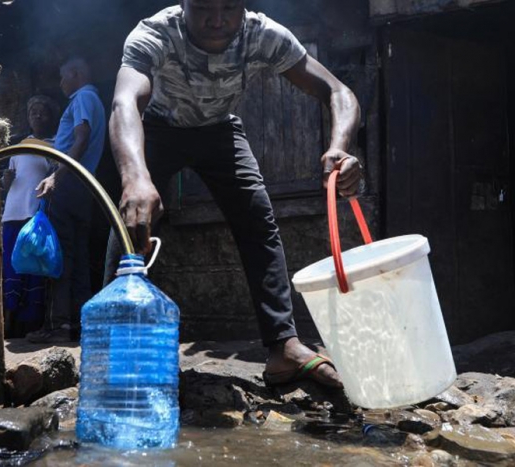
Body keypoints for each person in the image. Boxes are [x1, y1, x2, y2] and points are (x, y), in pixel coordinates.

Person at [107, 0, 363, 388]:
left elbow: (337, 91)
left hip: (219, 131)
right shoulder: (155, 34)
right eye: (204, 8)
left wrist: (340, 147)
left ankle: (283, 346)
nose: (217, 20)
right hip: (159, 128)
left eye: (229, 8)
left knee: (258, 219)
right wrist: (135, 176)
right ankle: (113, 350)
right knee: (129, 221)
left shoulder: (263, 35)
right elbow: (125, 102)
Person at [27, 57, 106, 343]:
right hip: (84, 183)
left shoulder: (83, 96)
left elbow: (81, 137)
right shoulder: (93, 99)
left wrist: (56, 176)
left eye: (63, 77)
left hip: (70, 180)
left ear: (76, 73)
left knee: (60, 253)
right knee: (79, 255)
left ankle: (58, 325)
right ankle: (77, 324)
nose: (60, 84)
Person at [1, 95, 60, 338]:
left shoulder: (56, 144)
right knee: (11, 269)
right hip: (12, 214)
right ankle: (7, 324)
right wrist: (5, 180)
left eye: (42, 112)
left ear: (52, 117)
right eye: (32, 112)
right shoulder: (18, 147)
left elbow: (56, 178)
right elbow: (10, 181)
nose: (37, 115)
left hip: (34, 215)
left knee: (34, 268)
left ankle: (31, 324)